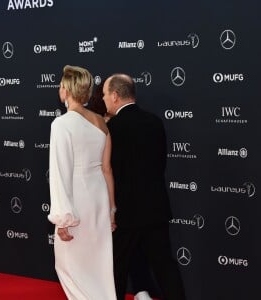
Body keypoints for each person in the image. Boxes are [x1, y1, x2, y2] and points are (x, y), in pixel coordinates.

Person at [103, 73, 186, 300]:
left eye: (104, 95)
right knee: (165, 266)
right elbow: (160, 164)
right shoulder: (155, 122)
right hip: (155, 207)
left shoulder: (111, 128)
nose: (103, 100)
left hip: (126, 212)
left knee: (117, 268)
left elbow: (109, 169)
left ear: (115, 96)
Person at [48, 65, 117, 300]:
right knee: (98, 267)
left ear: (67, 90)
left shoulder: (62, 124)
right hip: (98, 200)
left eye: (60, 85)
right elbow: (107, 170)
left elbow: (60, 172)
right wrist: (111, 210)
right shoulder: (101, 122)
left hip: (75, 202)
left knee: (70, 268)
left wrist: (63, 219)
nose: (59, 88)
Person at [90, 81, 156, 300]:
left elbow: (110, 167)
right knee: (125, 248)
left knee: (125, 249)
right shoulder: (102, 123)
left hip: (119, 196)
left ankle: (139, 289)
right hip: (116, 194)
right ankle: (138, 290)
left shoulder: (114, 126)